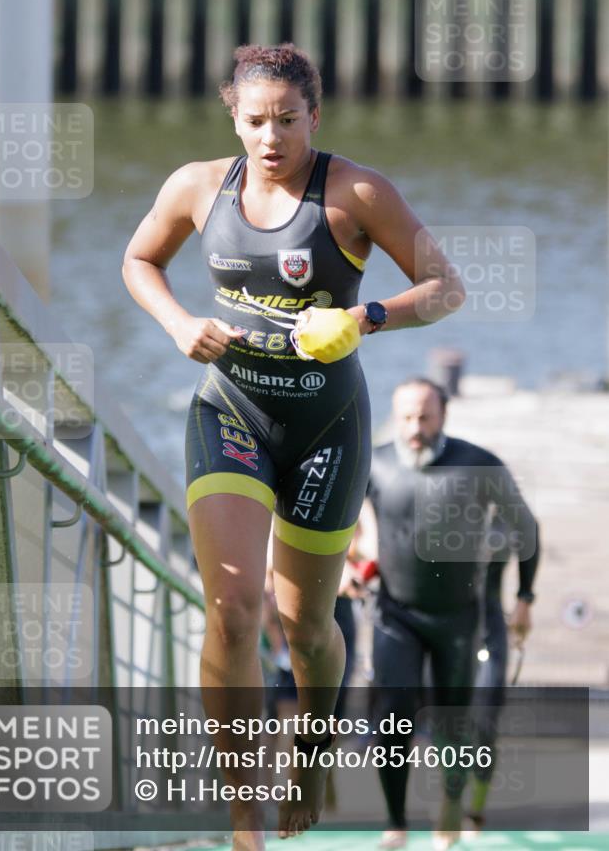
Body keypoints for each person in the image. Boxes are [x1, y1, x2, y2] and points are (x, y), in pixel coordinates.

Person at [121, 43, 465, 851]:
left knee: (305, 624)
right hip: (230, 415)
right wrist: (178, 325)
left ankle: (309, 758)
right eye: (253, 121)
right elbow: (140, 260)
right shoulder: (197, 186)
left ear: (315, 115)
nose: (270, 137)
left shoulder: (355, 193)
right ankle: (243, 809)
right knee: (233, 611)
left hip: (326, 431)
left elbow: (445, 286)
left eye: (286, 119)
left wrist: (364, 318)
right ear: (231, 116)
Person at [360, 377, 539, 851]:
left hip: (459, 617)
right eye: (406, 417)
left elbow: (527, 528)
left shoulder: (478, 464)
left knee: (453, 722)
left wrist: (525, 598)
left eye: (425, 416)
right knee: (392, 716)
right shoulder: (373, 462)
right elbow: (343, 525)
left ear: (444, 414)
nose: (415, 427)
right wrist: (347, 566)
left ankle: (450, 807)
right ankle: (396, 821)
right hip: (395, 613)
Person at [463, 511, 535, 836]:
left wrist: (525, 599)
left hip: (491, 629)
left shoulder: (506, 519)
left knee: (484, 723)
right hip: (449, 631)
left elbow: (532, 532)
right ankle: (451, 799)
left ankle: (474, 809)